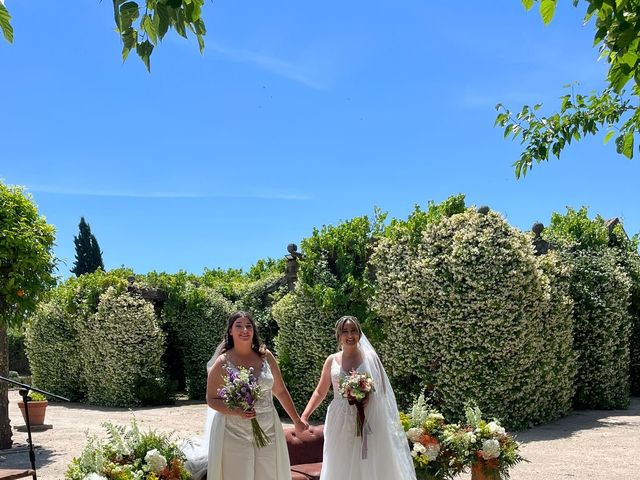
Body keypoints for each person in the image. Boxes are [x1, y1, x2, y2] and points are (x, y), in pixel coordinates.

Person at [183, 311, 308, 480]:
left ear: (253, 331)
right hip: (233, 431)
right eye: (239, 326)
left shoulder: (266, 357)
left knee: (268, 474)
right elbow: (211, 399)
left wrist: (297, 421)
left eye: (249, 326)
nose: (244, 330)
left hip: (268, 428)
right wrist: (237, 411)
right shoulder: (222, 362)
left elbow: (280, 391)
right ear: (230, 331)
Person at [301, 315, 416, 480]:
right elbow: (320, 391)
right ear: (339, 335)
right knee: (341, 461)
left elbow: (383, 390)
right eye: (345, 331)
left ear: (359, 334)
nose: (350, 335)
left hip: (368, 417)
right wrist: (305, 415)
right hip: (339, 420)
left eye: (353, 330)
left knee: (370, 462)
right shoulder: (331, 360)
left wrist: (369, 397)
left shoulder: (371, 359)